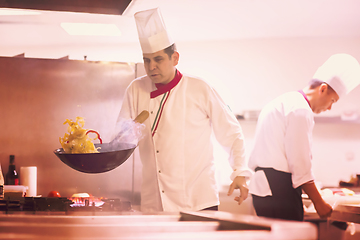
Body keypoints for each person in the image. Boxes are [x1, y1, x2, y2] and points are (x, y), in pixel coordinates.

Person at [117, 8, 251, 212]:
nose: (151, 66)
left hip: (197, 201)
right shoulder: (136, 89)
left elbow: (231, 134)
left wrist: (239, 172)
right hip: (154, 202)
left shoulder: (200, 88)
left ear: (175, 58)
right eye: (146, 60)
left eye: (158, 59)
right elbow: (120, 137)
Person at [248, 53, 360, 221]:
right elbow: (300, 164)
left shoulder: (282, 102)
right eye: (332, 100)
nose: (330, 108)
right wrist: (318, 202)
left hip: (262, 189)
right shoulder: (300, 110)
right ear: (323, 89)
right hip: (278, 189)